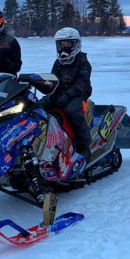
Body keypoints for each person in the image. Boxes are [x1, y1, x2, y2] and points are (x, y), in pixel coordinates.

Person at [38, 27, 92, 160]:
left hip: (79, 94)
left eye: (67, 44)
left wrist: (67, 95)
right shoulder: (58, 63)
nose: (64, 47)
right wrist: (49, 90)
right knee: (38, 107)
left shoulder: (83, 62)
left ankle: (84, 145)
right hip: (60, 93)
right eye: (61, 44)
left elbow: (82, 84)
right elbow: (53, 79)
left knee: (72, 111)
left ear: (76, 45)